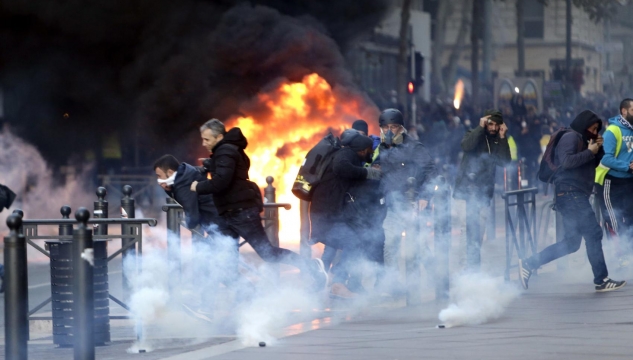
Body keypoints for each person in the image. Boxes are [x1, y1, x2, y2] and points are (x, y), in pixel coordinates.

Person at [190, 119, 328, 291]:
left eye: (207, 139)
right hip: (229, 213)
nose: (204, 143)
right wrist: (212, 163)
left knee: (268, 253)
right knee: (226, 257)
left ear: (219, 137)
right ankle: (246, 295)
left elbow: (221, 182)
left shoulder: (225, 151)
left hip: (241, 212)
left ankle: (311, 267)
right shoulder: (226, 151)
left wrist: (198, 186)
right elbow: (233, 171)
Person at [519, 110, 626, 292]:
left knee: (571, 243)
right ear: (584, 125)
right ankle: (601, 279)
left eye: (597, 130)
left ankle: (529, 263)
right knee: (593, 233)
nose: (594, 132)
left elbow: (592, 162)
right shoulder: (570, 137)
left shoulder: (583, 140)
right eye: (592, 128)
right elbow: (567, 162)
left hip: (573, 194)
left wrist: (597, 149)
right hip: (570, 193)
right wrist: (590, 151)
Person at [310, 131, 380, 298]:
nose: (370, 153)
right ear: (362, 150)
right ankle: (337, 283)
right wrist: (368, 172)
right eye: (369, 150)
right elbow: (342, 168)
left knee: (354, 242)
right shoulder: (345, 154)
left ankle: (331, 279)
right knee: (353, 243)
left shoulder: (349, 156)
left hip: (330, 215)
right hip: (327, 216)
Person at [371, 108, 436, 290]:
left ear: (401, 128)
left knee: (418, 247)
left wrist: (424, 197)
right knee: (390, 245)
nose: (389, 131)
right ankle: (392, 286)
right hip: (392, 206)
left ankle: (438, 280)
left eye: (393, 127)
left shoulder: (415, 147)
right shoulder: (381, 148)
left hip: (412, 204)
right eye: (385, 127)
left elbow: (431, 171)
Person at [453, 110, 511, 270]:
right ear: (485, 122)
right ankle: (465, 268)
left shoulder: (497, 140)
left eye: (496, 125)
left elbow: (505, 161)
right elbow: (467, 146)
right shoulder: (474, 133)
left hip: (483, 194)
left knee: (479, 231)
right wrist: (480, 128)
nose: (492, 127)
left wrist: (502, 137)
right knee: (467, 230)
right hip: (465, 192)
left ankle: (473, 266)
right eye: (490, 124)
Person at [594, 98, 633, 266]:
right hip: (610, 182)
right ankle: (618, 258)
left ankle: (627, 256)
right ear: (624, 111)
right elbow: (606, 159)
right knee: (614, 221)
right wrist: (627, 167)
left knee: (630, 220)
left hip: (629, 181)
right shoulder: (613, 130)